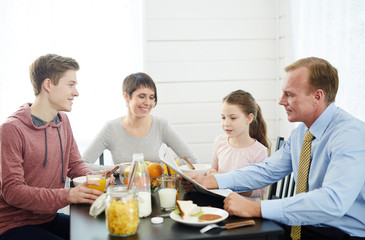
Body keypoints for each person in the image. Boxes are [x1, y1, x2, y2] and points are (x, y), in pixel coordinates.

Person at [181, 57, 365, 239]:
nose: (281, 101)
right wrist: (210, 181)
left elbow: (332, 201)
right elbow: (266, 170)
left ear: (317, 96)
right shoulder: (301, 133)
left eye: (289, 94)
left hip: (341, 233)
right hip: (304, 224)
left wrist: (255, 208)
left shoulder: (350, 135)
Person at [0, 54, 109, 240]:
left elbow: (75, 165)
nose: (76, 92)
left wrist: (95, 177)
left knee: (103, 233)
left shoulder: (62, 121)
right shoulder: (12, 129)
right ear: (48, 85)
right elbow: (12, 191)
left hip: (47, 217)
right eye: (70, 84)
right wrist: (68, 195)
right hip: (14, 224)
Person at [82, 72, 199, 171]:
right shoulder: (111, 128)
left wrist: (156, 169)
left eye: (151, 97)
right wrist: (121, 169)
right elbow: (83, 165)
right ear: (127, 97)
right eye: (142, 96)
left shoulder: (161, 125)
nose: (147, 103)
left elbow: (192, 161)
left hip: (156, 191)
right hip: (124, 193)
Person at [205, 89, 270, 201]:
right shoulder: (219, 142)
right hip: (220, 206)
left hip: (246, 211)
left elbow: (260, 191)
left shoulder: (259, 151)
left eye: (233, 118)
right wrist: (212, 174)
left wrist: (228, 185)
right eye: (223, 117)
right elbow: (213, 169)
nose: (226, 123)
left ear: (249, 118)